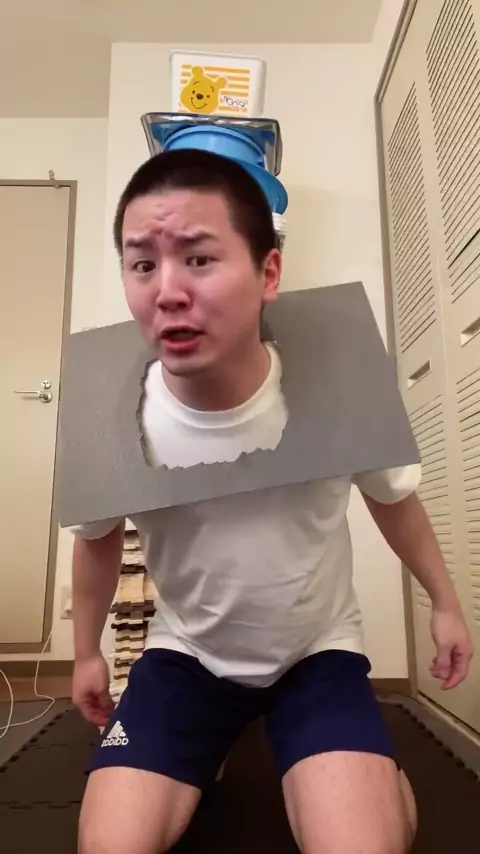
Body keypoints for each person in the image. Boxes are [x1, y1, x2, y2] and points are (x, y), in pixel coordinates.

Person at [71, 148, 473, 854]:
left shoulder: (339, 382)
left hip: (315, 651)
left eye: (199, 258)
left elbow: (393, 498)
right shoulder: (110, 411)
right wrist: (84, 654)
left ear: (269, 273)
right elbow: (96, 536)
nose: (168, 290)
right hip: (188, 653)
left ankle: (372, 771)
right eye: (143, 264)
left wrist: (444, 601)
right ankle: (205, 747)